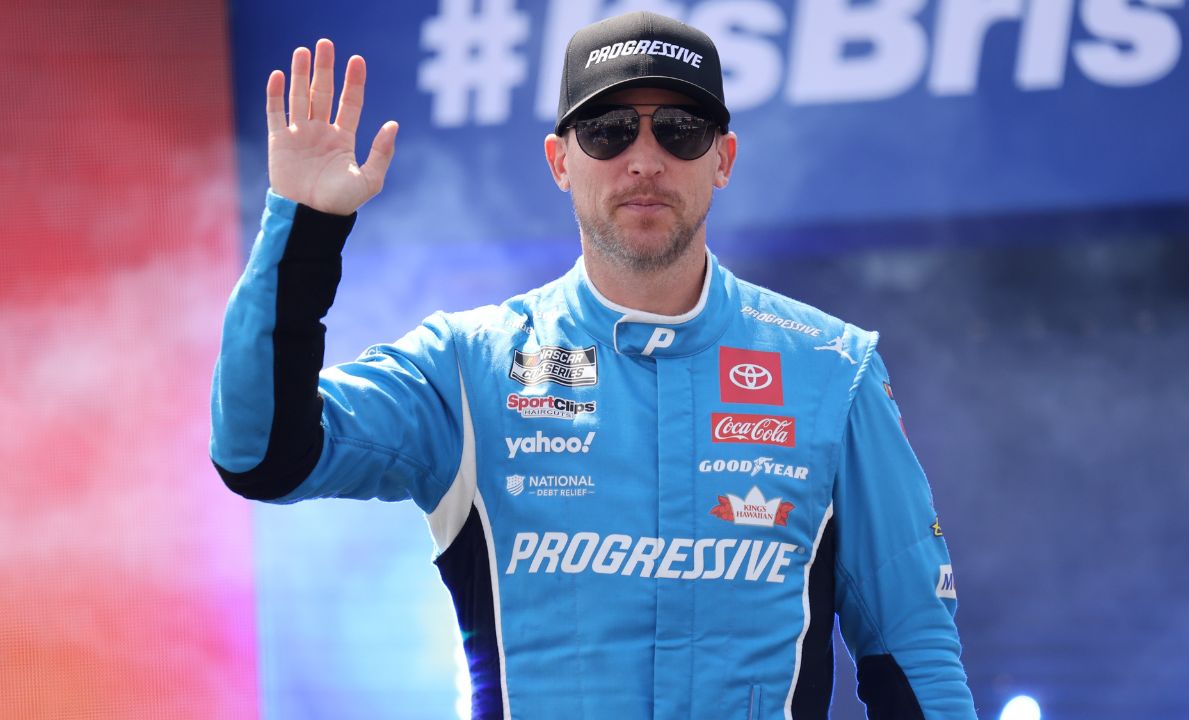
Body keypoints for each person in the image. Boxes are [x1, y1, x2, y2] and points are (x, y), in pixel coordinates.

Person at [210, 11, 977, 720]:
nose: (644, 160)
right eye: (608, 131)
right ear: (560, 161)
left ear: (723, 158)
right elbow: (264, 454)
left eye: (679, 130)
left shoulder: (833, 371)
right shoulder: (470, 366)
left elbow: (914, 653)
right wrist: (304, 228)